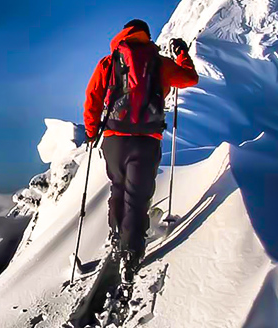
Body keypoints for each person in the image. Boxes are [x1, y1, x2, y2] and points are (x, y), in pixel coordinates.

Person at [82, 19, 199, 286]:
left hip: (113, 139)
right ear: (146, 36)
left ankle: (116, 234)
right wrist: (182, 54)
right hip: (146, 139)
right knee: (137, 196)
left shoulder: (109, 63)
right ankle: (131, 254)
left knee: (118, 188)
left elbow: (92, 98)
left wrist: (91, 132)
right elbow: (189, 79)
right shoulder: (159, 62)